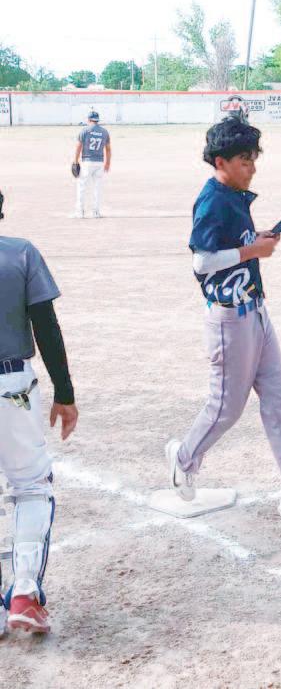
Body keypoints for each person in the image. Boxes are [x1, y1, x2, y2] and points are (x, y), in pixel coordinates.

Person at [164, 117, 281, 521]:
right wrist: (252, 252)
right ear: (221, 162)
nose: (252, 168)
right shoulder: (213, 200)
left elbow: (231, 246)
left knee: (279, 401)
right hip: (229, 320)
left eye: (254, 159)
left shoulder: (233, 194)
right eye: (245, 160)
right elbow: (202, 262)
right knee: (226, 408)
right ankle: (184, 457)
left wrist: (257, 240)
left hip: (256, 311)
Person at [0, 192, 78, 635]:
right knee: (31, 486)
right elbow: (46, 326)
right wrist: (64, 393)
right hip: (11, 384)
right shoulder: (21, 253)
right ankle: (25, 594)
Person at [73, 110, 111, 218]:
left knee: (82, 187)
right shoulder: (104, 132)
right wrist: (108, 163)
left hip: (87, 162)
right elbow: (108, 149)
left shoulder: (85, 130)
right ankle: (96, 212)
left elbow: (79, 147)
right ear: (97, 120)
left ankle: (80, 212)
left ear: (89, 119)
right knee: (97, 188)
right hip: (99, 162)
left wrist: (75, 161)